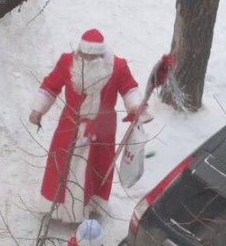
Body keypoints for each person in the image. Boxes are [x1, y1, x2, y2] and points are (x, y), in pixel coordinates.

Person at [29, 28, 150, 223]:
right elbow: (50, 86)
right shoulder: (67, 62)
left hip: (102, 128)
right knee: (62, 167)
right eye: (84, 55)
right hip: (70, 125)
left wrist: (136, 107)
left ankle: (89, 207)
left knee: (96, 169)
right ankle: (60, 208)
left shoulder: (118, 66)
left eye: (92, 57)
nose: (86, 59)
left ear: (101, 55)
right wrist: (38, 109)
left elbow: (129, 89)